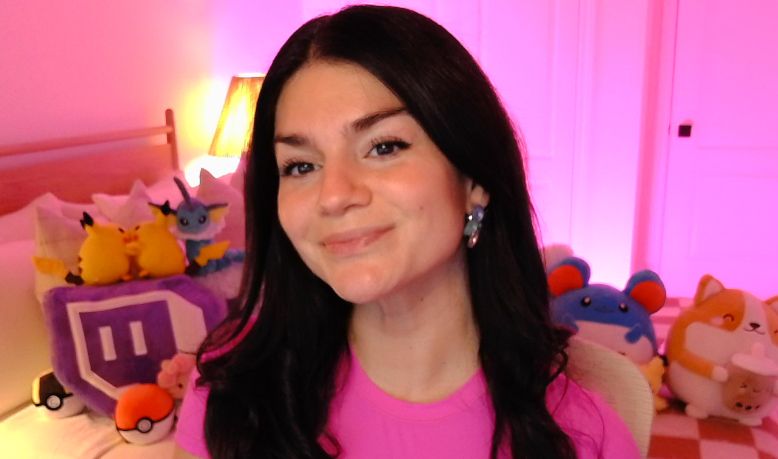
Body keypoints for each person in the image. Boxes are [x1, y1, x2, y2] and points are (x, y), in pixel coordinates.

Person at [174, 5, 640, 459]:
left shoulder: (580, 433)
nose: (333, 196)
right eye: (300, 166)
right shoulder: (230, 398)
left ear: (474, 180)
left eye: (384, 147)